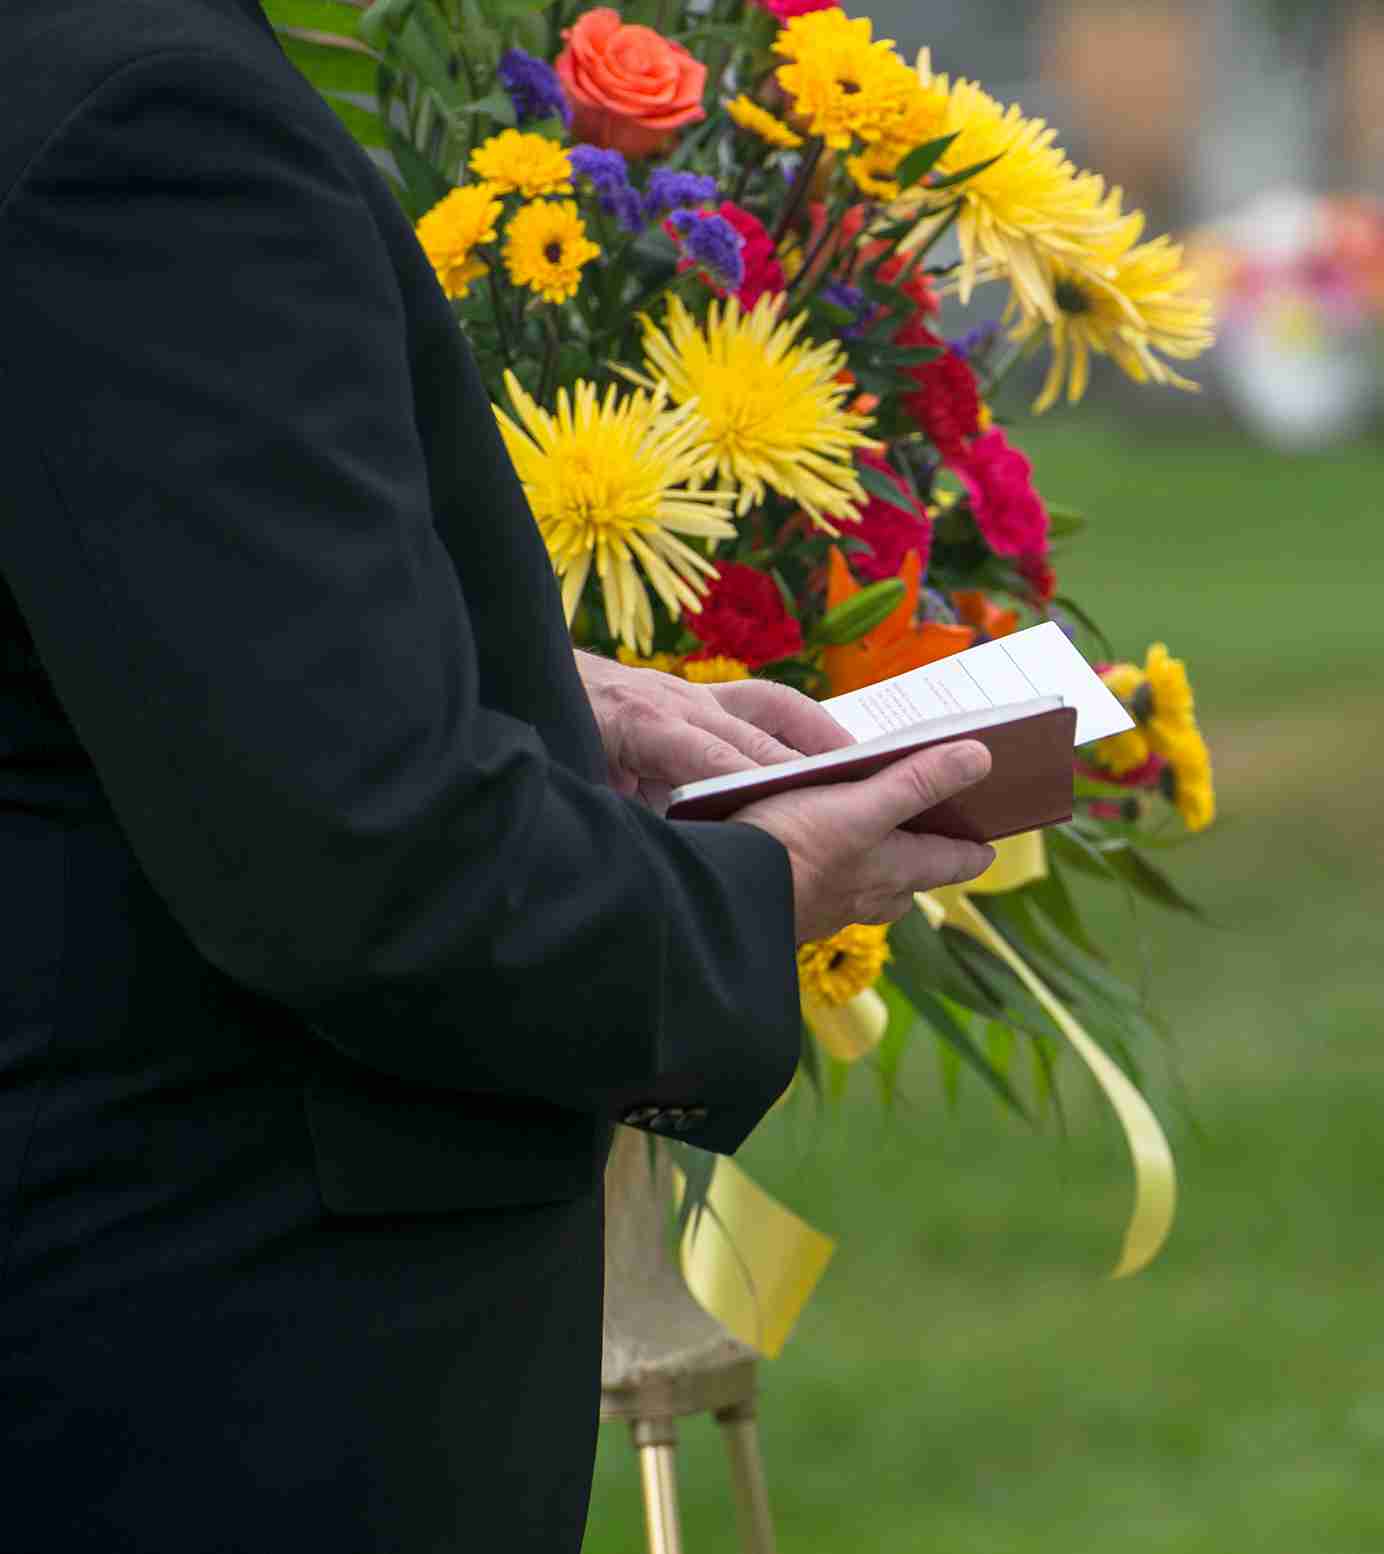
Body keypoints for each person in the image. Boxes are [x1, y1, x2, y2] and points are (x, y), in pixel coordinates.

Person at [0, 0, 996, 1546]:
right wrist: (762, 892)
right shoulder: (150, 124)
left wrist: (493, 677)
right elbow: (366, 868)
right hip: (210, 1366)